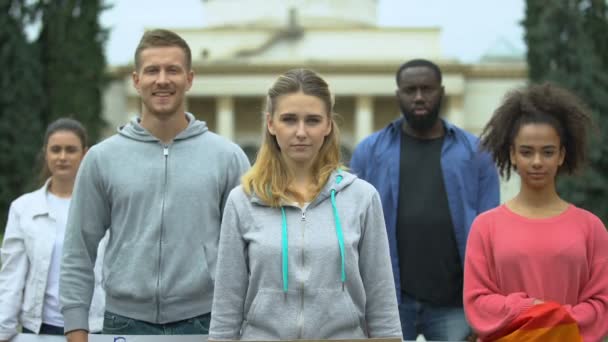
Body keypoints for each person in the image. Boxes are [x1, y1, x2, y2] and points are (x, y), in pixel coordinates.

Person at [59, 29, 250, 341]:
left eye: (172, 70)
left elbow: (247, 251)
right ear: (136, 80)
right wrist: (76, 326)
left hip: (205, 321)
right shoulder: (101, 158)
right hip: (123, 322)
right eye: (152, 70)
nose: (162, 80)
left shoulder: (227, 157)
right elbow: (78, 249)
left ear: (189, 79)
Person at [208, 68, 402, 341]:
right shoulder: (242, 200)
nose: (301, 132)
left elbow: (382, 301)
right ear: (271, 124)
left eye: (312, 120)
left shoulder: (362, 197)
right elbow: (227, 304)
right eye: (289, 119)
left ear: (328, 125)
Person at [350, 58, 500, 341]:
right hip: (390, 303)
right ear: (398, 96)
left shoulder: (475, 152)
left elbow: (491, 233)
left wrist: (484, 307)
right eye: (410, 90)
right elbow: (352, 229)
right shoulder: (369, 152)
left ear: (441, 92)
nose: (419, 97)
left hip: (455, 302)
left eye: (427, 89)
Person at [463, 83, 608, 341]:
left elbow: (601, 306)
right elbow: (477, 303)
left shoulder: (591, 227)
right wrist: (532, 309)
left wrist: (549, 317)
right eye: (527, 152)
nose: (537, 161)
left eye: (548, 152)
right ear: (513, 155)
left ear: (562, 155)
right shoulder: (485, 226)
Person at [0, 118, 105, 341]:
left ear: (85, 154)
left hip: (94, 329)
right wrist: (3, 329)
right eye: (56, 149)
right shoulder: (23, 208)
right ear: (45, 153)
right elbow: (12, 275)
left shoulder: (104, 206)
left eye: (71, 150)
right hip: (40, 329)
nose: (62, 157)